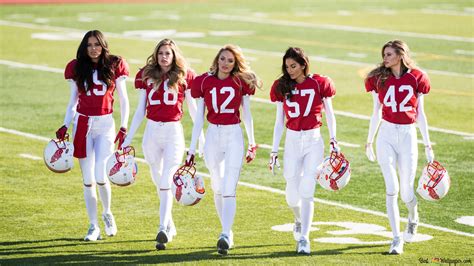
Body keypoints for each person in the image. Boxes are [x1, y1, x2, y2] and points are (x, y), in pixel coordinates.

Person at [120, 39, 204, 250]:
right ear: (156, 55)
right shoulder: (146, 75)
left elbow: (193, 110)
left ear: (174, 55)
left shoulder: (184, 75)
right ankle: (169, 222)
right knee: (159, 180)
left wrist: (200, 136)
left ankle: (162, 228)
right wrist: (128, 138)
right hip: (152, 131)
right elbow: (140, 110)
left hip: (173, 131)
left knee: (167, 178)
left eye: (168, 53)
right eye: (161, 53)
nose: (164, 56)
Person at [186, 44, 262, 255]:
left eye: (230, 60)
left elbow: (247, 114)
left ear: (236, 62)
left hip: (233, 134)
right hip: (213, 135)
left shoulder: (240, 81)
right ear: (217, 59)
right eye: (223, 59)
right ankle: (225, 230)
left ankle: (225, 233)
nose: (226, 63)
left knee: (229, 187)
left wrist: (252, 141)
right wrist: (192, 148)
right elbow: (198, 118)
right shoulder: (204, 81)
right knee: (217, 186)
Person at [55, 30, 130, 241]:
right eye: (89, 45)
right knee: (88, 179)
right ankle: (93, 225)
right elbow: (72, 102)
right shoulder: (77, 67)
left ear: (103, 45)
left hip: (105, 124)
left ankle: (107, 212)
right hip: (83, 123)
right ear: (84, 47)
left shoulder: (115, 64)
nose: (93, 48)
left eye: (97, 44)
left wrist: (123, 126)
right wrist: (65, 124)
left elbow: (124, 100)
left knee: (100, 175)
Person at [364, 40, 434, 255]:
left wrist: (427, 144)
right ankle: (395, 238)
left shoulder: (416, 77)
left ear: (400, 55)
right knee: (391, 188)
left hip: (407, 134)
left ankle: (413, 217)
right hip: (386, 133)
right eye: (384, 54)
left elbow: (420, 114)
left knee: (406, 192)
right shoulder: (377, 78)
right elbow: (376, 111)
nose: (385, 58)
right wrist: (369, 140)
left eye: (389, 54)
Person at [268, 47, 340, 255]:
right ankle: (298, 219)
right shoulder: (281, 86)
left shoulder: (319, 82)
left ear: (303, 64)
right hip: (292, 139)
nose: (290, 70)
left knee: (307, 190)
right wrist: (274, 150)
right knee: (292, 195)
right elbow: (278, 121)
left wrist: (334, 140)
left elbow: (331, 115)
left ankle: (305, 238)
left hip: (313, 139)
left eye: (294, 66)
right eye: (287, 66)